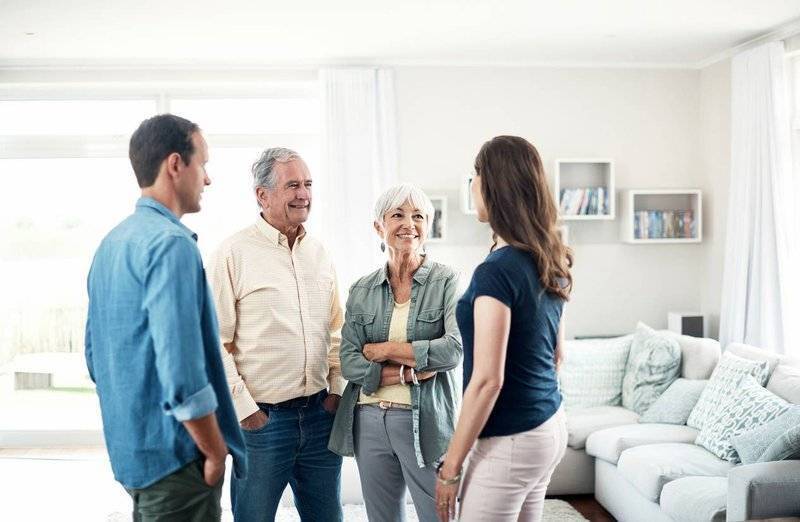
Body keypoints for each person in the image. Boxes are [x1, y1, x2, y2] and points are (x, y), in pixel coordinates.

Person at [85, 114, 246, 522]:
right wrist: (214, 451)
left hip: (132, 456)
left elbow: (93, 357)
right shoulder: (172, 245)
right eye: (203, 164)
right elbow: (183, 373)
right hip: (178, 461)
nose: (207, 179)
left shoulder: (111, 244)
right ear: (176, 165)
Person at [435, 136, 573, 522]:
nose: (472, 185)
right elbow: (557, 356)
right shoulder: (547, 257)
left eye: (476, 175)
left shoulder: (498, 271)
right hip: (549, 425)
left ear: (494, 185)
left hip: (513, 438)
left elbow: (487, 381)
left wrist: (451, 468)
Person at [209, 147, 344, 522]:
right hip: (263, 423)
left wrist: (336, 390)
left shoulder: (320, 253)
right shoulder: (232, 254)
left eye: (308, 184)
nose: (304, 194)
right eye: (293, 186)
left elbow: (336, 330)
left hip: (320, 417)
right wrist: (246, 411)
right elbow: (214, 341)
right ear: (262, 195)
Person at [328, 183, 463, 522]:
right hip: (368, 418)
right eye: (397, 215)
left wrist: (385, 349)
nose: (409, 224)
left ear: (427, 226)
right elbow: (349, 361)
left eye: (418, 216)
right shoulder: (362, 289)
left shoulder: (447, 281)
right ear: (379, 226)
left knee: (439, 515)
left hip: (425, 420)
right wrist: (407, 371)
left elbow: (453, 350)